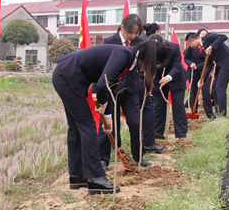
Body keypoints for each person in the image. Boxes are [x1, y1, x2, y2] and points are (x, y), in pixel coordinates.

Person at [54, 40, 167, 193]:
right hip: (67, 77)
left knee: (76, 127)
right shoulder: (124, 55)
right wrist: (104, 109)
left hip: (69, 77)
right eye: (154, 66)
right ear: (149, 60)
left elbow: (108, 85)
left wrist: (107, 116)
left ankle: (77, 175)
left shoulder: (130, 61)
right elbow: (103, 84)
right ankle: (95, 178)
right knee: (87, 126)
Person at [95, 16, 162, 170]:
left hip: (131, 89)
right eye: (130, 32)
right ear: (122, 27)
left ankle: (138, 156)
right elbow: (103, 68)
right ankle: (103, 159)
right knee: (108, 123)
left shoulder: (139, 43)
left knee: (135, 123)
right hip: (112, 90)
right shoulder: (109, 42)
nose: (132, 36)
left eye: (136, 33)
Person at [149, 35, 188, 138]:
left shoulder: (173, 47)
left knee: (178, 106)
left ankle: (181, 135)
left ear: (163, 43)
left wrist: (169, 77)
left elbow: (177, 66)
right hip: (158, 80)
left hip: (176, 78)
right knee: (158, 105)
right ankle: (157, 133)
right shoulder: (147, 49)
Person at [198, 29, 229, 118]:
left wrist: (211, 46)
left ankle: (222, 115)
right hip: (222, 65)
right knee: (215, 88)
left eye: (189, 44)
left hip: (228, 63)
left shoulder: (208, 37)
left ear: (192, 40)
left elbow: (223, 37)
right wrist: (202, 79)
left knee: (220, 88)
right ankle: (218, 112)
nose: (190, 46)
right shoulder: (203, 48)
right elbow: (208, 65)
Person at [185, 32, 216, 119]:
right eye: (202, 34)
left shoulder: (206, 47)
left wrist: (198, 66)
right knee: (193, 93)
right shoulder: (191, 48)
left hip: (203, 72)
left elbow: (208, 62)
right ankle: (194, 112)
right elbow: (186, 58)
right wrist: (191, 64)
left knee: (206, 93)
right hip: (193, 73)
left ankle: (209, 114)